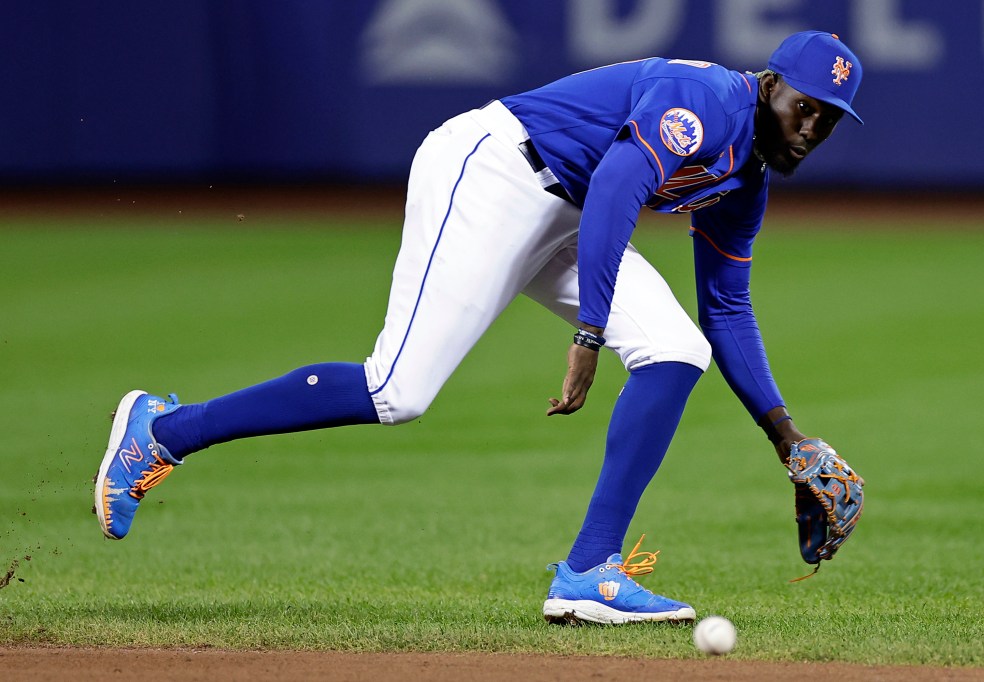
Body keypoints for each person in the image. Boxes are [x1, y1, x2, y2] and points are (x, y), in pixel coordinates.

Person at [94, 31, 863, 625]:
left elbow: (726, 308)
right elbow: (619, 190)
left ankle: (590, 570)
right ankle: (162, 432)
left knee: (677, 349)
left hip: (566, 209)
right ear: (769, 85)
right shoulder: (710, 104)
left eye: (828, 121)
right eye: (804, 105)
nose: (811, 126)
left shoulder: (746, 181)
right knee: (398, 390)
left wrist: (787, 439)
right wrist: (589, 335)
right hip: (493, 171)